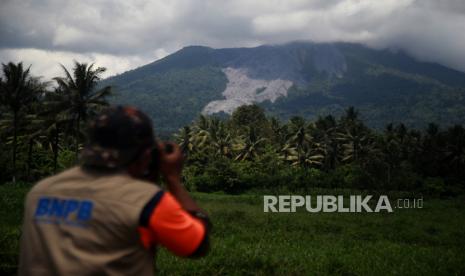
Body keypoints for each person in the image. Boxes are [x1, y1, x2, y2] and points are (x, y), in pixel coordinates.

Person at [18, 106, 211, 275]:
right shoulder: (145, 200)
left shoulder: (40, 192)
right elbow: (196, 246)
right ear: (145, 154)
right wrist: (172, 179)